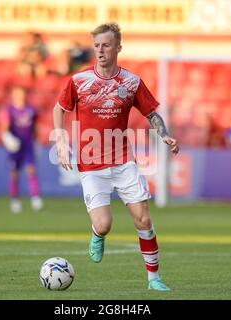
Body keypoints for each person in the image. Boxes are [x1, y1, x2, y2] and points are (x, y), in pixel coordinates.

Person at [52, 22, 179, 291]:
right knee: (104, 224)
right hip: (91, 163)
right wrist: (61, 139)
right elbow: (59, 108)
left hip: (123, 160)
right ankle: (98, 234)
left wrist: (164, 134)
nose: (100, 51)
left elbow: (151, 114)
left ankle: (154, 278)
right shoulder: (79, 80)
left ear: (118, 47)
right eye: (96, 46)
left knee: (143, 218)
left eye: (106, 45)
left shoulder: (131, 82)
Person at [1, 85, 43, 213]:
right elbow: (4, 127)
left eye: (21, 94)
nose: (20, 96)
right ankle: (15, 200)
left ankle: (36, 199)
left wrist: (37, 142)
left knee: (31, 170)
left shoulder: (32, 109)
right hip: (15, 145)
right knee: (14, 173)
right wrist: (8, 138)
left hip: (29, 144)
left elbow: (36, 127)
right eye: (17, 94)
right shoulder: (9, 110)